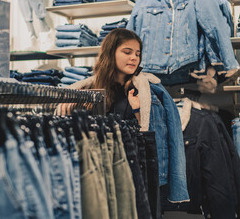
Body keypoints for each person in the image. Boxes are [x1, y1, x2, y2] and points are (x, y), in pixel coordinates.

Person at [55, 28, 190, 203]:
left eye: (137, 53)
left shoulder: (149, 91)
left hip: (137, 172)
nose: (134, 58)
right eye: (127, 52)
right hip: (99, 172)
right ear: (111, 53)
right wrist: (73, 108)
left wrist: (137, 110)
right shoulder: (87, 92)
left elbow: (159, 137)